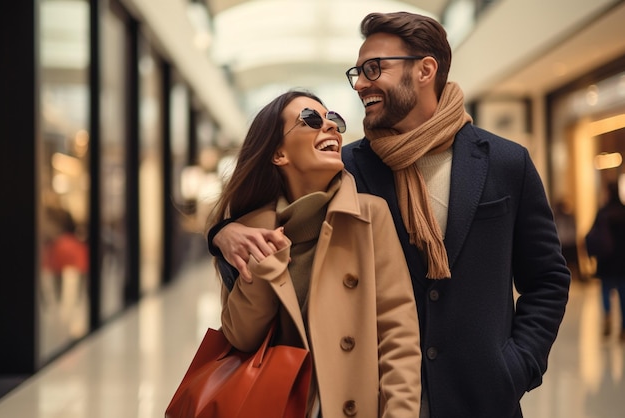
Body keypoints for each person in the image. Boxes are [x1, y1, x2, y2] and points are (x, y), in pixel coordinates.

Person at [208, 12, 571, 417]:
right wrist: (223, 232)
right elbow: (276, 205)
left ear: (424, 69)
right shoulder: (347, 167)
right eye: (357, 73)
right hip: (381, 397)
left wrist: (519, 364)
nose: (361, 83)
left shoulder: (505, 162)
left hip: (482, 395)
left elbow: (547, 278)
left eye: (373, 68)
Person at [208, 90, 422, 417]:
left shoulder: (369, 216)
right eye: (311, 119)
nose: (331, 128)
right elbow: (242, 338)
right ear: (278, 153)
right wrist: (261, 265)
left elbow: (398, 335)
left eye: (334, 120)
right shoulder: (250, 232)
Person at [586, 181, 625, 340]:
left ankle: (607, 316)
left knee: (605, 290)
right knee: (623, 294)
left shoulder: (603, 212)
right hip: (623, 261)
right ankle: (623, 328)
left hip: (606, 261)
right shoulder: (623, 212)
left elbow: (592, 234)